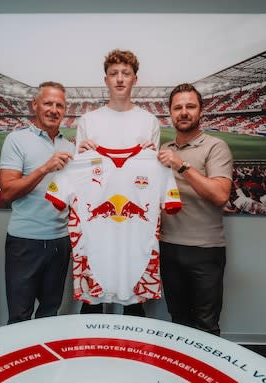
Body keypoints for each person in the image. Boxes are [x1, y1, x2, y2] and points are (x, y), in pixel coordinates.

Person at [58, 49, 165, 318]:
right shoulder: (88, 120)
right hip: (96, 224)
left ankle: (134, 354)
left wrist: (151, 156)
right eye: (114, 74)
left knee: (134, 300)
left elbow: (152, 176)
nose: (119, 79)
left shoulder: (148, 121)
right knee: (92, 300)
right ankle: (89, 356)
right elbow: (79, 170)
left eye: (125, 74)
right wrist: (79, 154)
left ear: (135, 79)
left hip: (134, 226)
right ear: (105, 79)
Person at [157, 83, 233, 336]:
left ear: (201, 111)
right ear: (170, 113)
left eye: (190, 106)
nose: (184, 112)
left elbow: (220, 195)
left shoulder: (216, 146)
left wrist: (181, 166)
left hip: (205, 249)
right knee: (178, 320)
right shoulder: (164, 150)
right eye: (178, 107)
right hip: (168, 247)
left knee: (206, 324)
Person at [0, 81, 74, 323]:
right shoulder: (16, 139)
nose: (54, 110)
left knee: (50, 313)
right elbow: (7, 193)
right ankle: (21, 360)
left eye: (59, 105)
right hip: (25, 242)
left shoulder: (70, 146)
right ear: (35, 105)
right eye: (48, 103)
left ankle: (46, 361)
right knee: (20, 315)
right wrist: (44, 168)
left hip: (60, 242)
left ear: (65, 110)